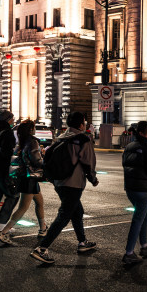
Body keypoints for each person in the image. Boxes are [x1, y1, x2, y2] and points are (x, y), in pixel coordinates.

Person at [30, 112, 99, 264]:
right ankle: (42, 249)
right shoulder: (83, 140)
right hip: (73, 183)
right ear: (81, 125)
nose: (85, 124)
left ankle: (82, 242)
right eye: (84, 122)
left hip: (59, 182)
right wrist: (93, 179)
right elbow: (89, 163)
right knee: (64, 216)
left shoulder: (61, 138)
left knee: (77, 211)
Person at [0, 120, 48, 244]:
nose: (35, 129)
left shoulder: (22, 141)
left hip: (27, 177)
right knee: (23, 208)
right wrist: (45, 157)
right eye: (33, 127)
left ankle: (43, 228)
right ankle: (3, 232)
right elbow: (36, 161)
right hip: (29, 178)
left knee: (39, 202)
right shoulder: (32, 141)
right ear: (31, 130)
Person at [120, 121, 147, 265]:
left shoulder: (129, 147)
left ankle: (144, 246)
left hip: (130, 188)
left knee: (144, 214)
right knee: (138, 218)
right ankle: (129, 252)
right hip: (143, 188)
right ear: (142, 133)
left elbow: (125, 165)